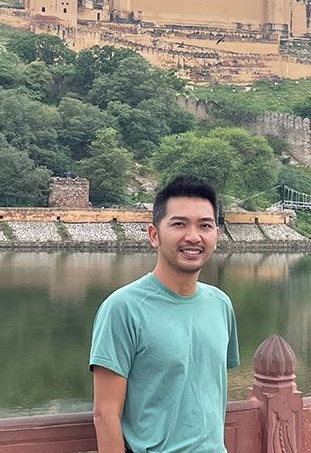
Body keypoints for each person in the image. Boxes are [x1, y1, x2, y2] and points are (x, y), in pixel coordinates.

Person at [89, 175, 239, 453]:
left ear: (216, 235)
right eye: (179, 224)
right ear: (154, 235)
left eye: (205, 225)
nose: (193, 237)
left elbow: (206, 392)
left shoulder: (220, 304)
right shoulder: (123, 308)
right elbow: (105, 414)